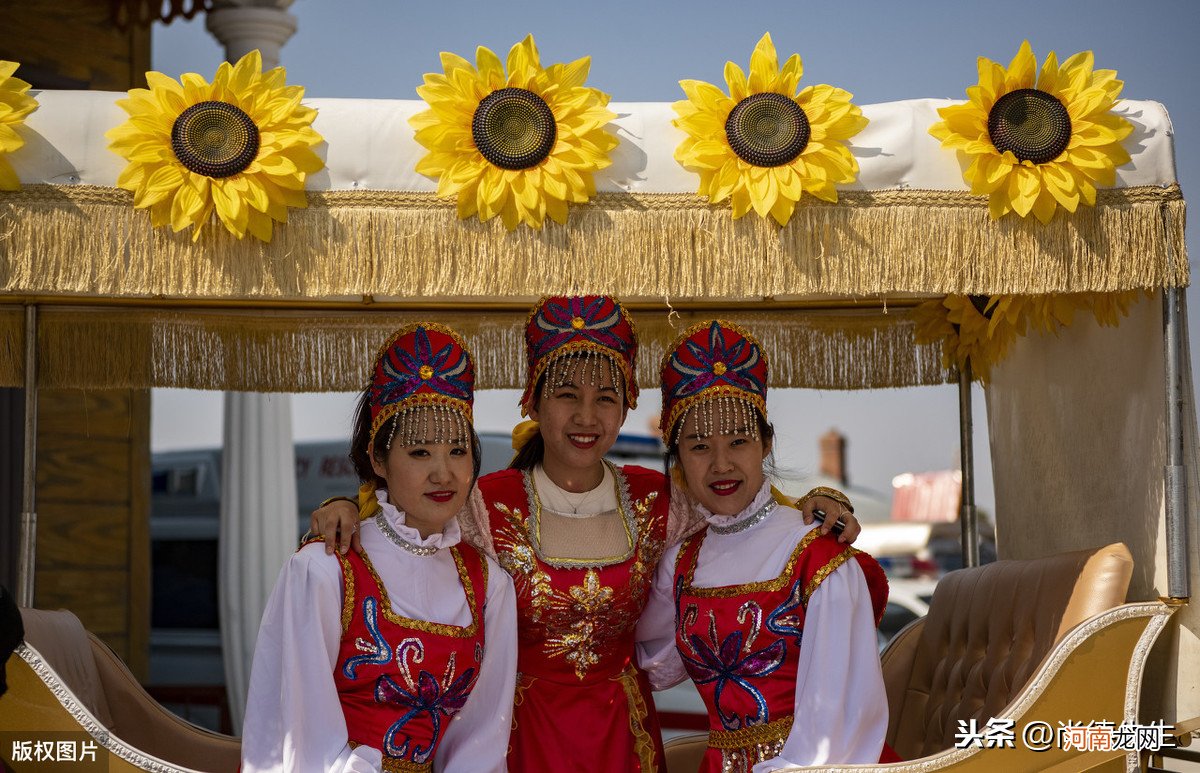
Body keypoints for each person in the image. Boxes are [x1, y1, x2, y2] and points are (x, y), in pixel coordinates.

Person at [313, 296, 864, 772]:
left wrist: (814, 503)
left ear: (627, 405)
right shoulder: (482, 502)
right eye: (566, 395)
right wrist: (348, 505)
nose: (586, 415)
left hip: (624, 737)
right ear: (533, 400)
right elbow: (405, 532)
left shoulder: (664, 497)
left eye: (605, 396)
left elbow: (743, 511)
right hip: (514, 737)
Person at [242, 323, 517, 773]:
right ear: (377, 460)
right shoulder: (324, 568)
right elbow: (297, 733)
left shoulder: (491, 586)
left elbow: (481, 741)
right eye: (420, 453)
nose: (443, 473)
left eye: (457, 450)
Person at [637, 320, 897, 771]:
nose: (722, 464)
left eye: (739, 441)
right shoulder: (682, 560)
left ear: (766, 444)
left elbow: (838, 722)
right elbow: (647, 659)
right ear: (677, 461)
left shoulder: (818, 555)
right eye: (699, 447)